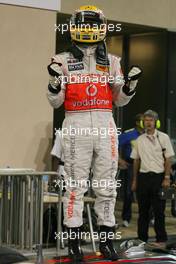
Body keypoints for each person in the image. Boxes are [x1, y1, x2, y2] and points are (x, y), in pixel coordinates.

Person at [47, 5, 142, 262]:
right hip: (75, 124)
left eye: (92, 24)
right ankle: (74, 245)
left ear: (101, 27)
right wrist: (54, 84)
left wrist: (130, 86)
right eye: (84, 24)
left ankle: (107, 242)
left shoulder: (112, 61)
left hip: (104, 124)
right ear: (74, 27)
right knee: (75, 187)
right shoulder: (61, 60)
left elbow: (119, 100)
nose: (88, 29)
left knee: (107, 185)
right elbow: (55, 103)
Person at [131, 109, 175, 247]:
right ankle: (142, 239)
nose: (148, 122)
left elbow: (168, 159)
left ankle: (161, 239)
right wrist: (134, 180)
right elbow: (136, 161)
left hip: (159, 177)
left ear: (156, 122)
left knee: (159, 211)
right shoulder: (139, 140)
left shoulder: (163, 138)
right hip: (143, 178)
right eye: (146, 120)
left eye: (150, 120)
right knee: (143, 211)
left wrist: (167, 178)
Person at [118, 113, 144, 227]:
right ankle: (126, 217)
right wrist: (119, 160)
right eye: (143, 120)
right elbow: (115, 144)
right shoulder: (129, 134)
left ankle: (148, 217)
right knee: (128, 192)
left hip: (145, 167)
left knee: (146, 193)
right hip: (130, 166)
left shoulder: (149, 134)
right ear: (138, 122)